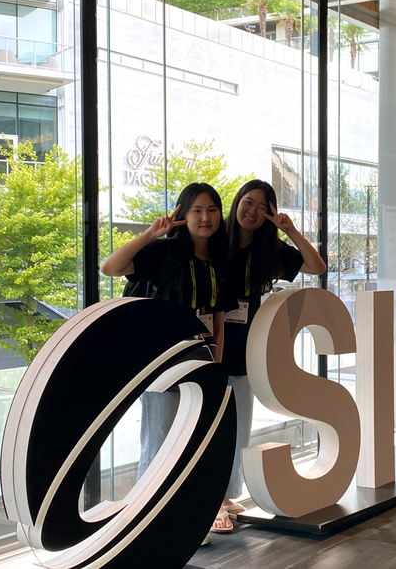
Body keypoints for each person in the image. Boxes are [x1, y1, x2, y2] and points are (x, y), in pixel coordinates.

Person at [100, 182, 235, 482]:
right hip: (162, 364)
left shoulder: (219, 259)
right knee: (159, 446)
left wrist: (216, 367)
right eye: (197, 210)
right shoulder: (165, 251)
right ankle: (147, 511)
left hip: (201, 362)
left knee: (190, 446)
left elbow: (219, 317)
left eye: (212, 210)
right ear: (182, 215)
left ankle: (179, 510)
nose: (206, 218)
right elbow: (109, 267)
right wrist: (151, 233)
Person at [212, 179, 326, 533]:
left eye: (263, 207)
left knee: (238, 426)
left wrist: (290, 230)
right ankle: (210, 500)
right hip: (209, 344)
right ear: (237, 202)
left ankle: (225, 495)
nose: (253, 211)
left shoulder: (269, 250)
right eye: (248, 202)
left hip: (245, 348)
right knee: (210, 427)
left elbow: (317, 267)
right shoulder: (217, 240)